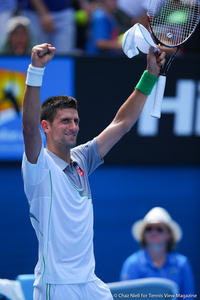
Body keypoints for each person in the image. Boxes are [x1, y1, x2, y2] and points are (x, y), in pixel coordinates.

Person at [21, 43, 165, 299]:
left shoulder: (82, 159)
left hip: (91, 285)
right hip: (56, 287)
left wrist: (150, 75)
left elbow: (122, 123)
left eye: (76, 120)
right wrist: (35, 70)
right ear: (46, 126)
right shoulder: (38, 166)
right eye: (65, 121)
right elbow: (29, 128)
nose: (73, 126)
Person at [120, 207, 195, 296]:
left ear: (169, 234)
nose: (153, 232)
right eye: (149, 229)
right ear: (143, 234)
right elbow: (127, 297)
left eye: (159, 229)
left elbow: (188, 296)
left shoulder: (182, 263)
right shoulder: (132, 264)